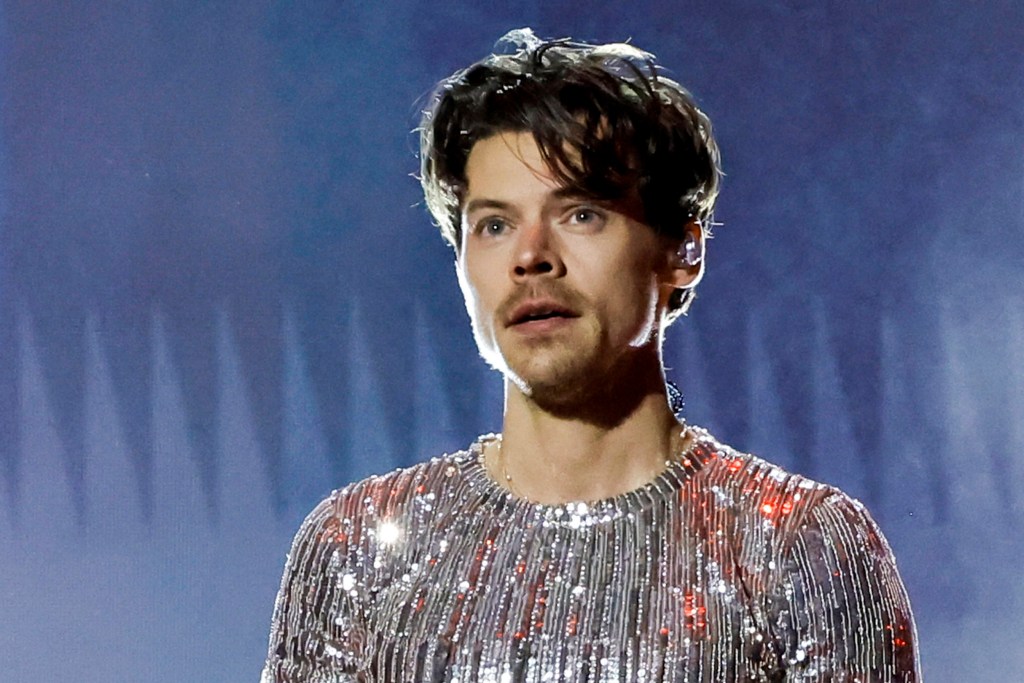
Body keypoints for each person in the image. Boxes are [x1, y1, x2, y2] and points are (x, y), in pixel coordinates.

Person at [261, 29, 919, 682]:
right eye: (494, 224)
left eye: (581, 213)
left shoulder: (801, 547)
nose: (530, 255)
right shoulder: (358, 548)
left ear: (681, 250)